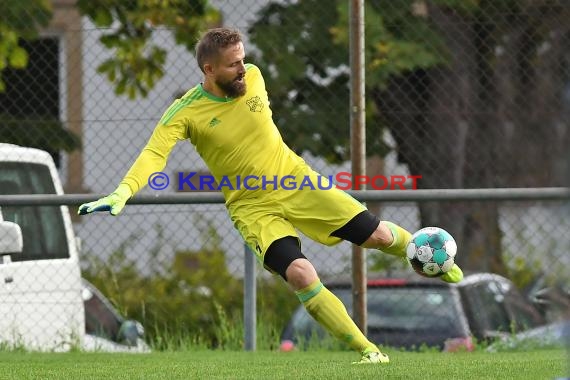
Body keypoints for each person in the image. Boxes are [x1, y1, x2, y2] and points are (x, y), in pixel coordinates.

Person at [78, 27, 463, 364]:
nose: (242, 69)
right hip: (253, 208)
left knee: (378, 236)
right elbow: (154, 155)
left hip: (298, 183)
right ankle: (369, 351)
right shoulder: (184, 113)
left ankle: (435, 260)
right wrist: (124, 190)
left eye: (243, 60)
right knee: (300, 273)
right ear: (208, 70)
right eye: (232, 65)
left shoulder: (255, 78)